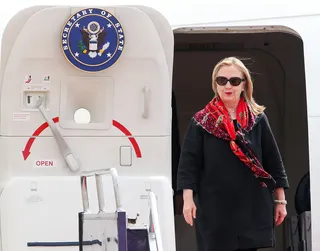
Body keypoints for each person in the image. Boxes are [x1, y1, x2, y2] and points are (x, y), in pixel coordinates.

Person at [176, 57, 289, 251]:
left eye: (234, 81)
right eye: (222, 80)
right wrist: (188, 200)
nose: (228, 85)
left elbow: (273, 162)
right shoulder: (201, 122)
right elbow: (189, 164)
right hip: (215, 208)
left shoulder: (258, 119)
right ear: (215, 84)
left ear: (244, 84)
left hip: (251, 207)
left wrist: (280, 201)